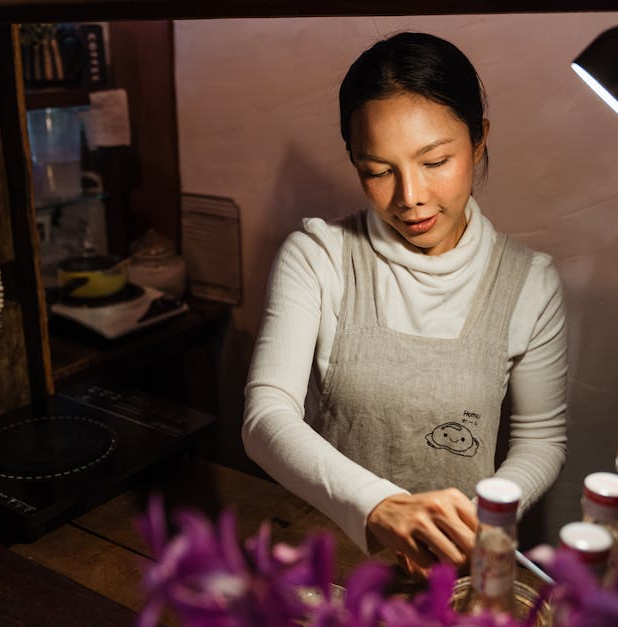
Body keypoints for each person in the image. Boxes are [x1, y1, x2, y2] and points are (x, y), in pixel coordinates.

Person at [242, 31, 568, 577]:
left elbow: (541, 439)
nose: (410, 195)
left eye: (435, 161)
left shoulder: (529, 282)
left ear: (479, 139)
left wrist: (476, 520)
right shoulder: (320, 257)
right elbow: (265, 417)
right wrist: (378, 506)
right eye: (378, 171)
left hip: (458, 569)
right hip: (335, 565)